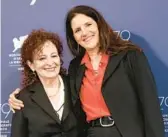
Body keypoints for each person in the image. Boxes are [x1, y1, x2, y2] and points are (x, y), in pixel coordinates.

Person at [9, 5, 164, 137]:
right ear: (74, 37)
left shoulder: (130, 56)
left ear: (98, 24)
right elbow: (51, 88)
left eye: (88, 25)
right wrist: (17, 97)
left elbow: (151, 108)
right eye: (77, 30)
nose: (84, 32)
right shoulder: (76, 67)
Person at [10, 29, 78, 137]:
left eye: (54, 56)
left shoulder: (76, 85)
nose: (50, 63)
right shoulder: (23, 98)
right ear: (31, 65)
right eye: (42, 58)